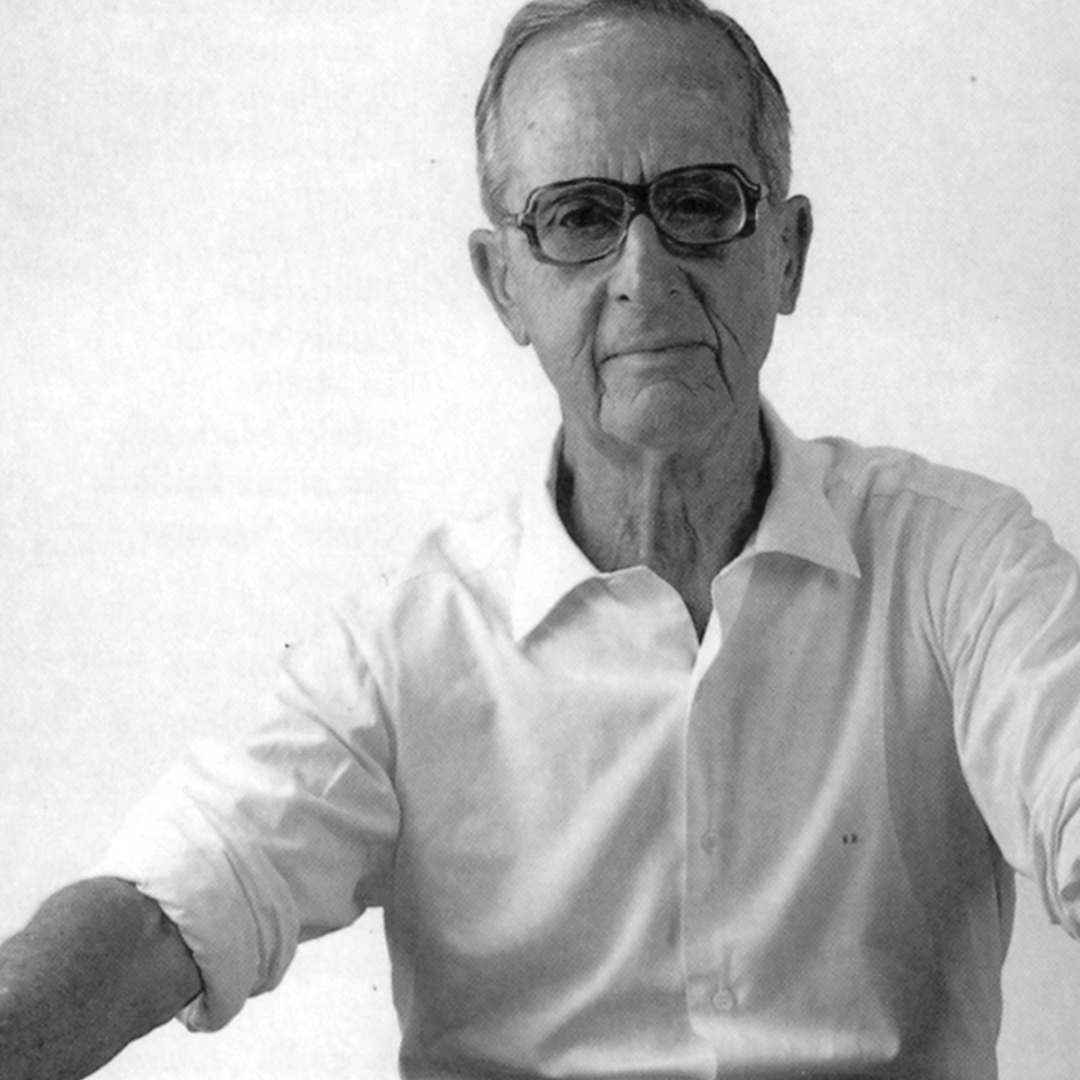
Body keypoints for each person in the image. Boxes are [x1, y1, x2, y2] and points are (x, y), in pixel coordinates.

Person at [2, 1, 1079, 1077]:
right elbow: (180, 897)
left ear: (787, 253)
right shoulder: (409, 645)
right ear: (504, 285)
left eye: (699, 203)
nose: (645, 273)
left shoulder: (960, 566)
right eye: (578, 217)